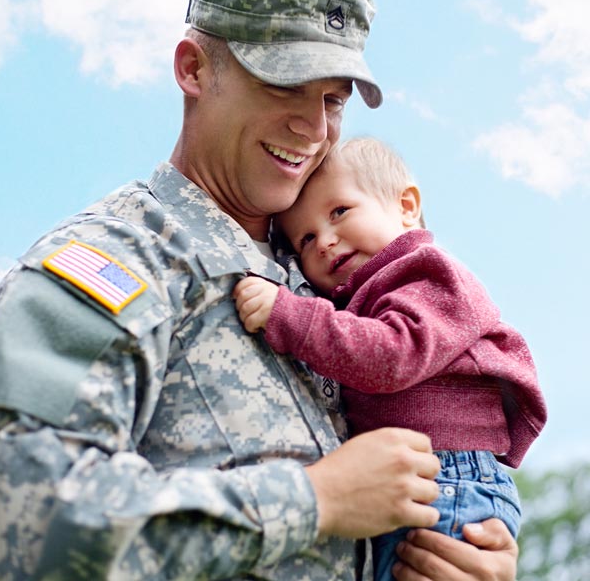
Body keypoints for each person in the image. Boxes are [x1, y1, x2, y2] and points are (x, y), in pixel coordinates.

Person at [0, 0, 518, 579]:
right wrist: (316, 500)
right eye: (285, 83)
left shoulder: (333, 279)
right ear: (193, 69)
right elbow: (20, 519)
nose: (313, 127)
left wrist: (464, 548)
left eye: (334, 100)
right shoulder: (113, 260)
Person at [234, 137, 547, 579]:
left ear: (406, 206)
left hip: (447, 477)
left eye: (339, 212)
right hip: (411, 480)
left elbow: (392, 356)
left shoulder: (426, 273)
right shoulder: (359, 295)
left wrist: (288, 314)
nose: (323, 241)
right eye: (304, 239)